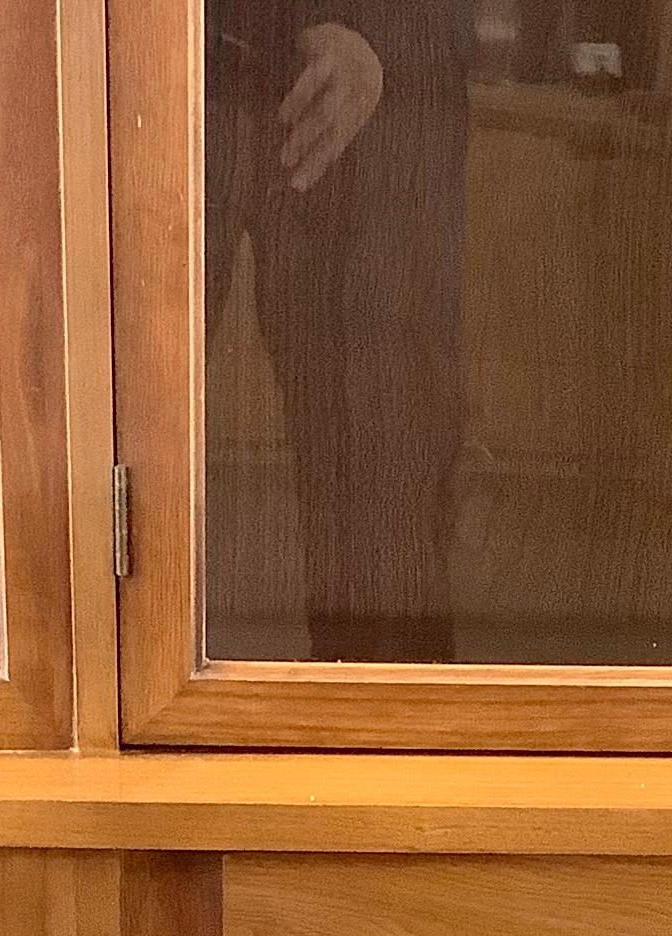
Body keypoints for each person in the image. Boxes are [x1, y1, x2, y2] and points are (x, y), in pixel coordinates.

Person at [205, 1, 472, 662]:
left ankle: (395, 723)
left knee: (385, 461)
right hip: (172, 69)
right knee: (124, 418)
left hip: (375, 92)